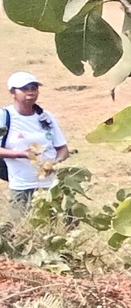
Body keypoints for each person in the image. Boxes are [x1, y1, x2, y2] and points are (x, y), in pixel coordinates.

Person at [0, 72, 68, 218]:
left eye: (34, 88)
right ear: (13, 92)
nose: (30, 92)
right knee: (21, 233)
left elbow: (62, 148)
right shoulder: (5, 117)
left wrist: (55, 163)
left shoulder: (46, 116)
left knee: (61, 229)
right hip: (22, 187)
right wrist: (21, 154)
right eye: (24, 89)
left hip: (51, 187)